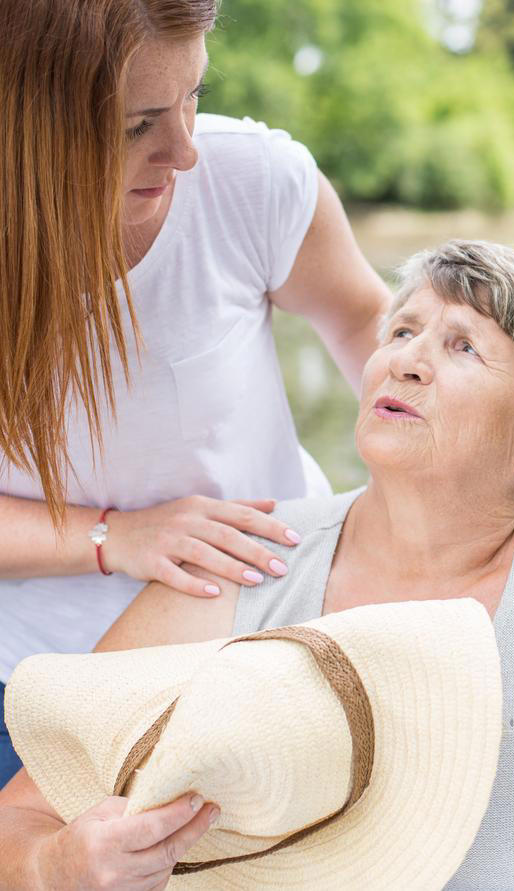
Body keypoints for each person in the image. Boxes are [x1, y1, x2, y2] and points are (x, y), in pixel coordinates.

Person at [1, 239, 514, 889]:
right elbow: (23, 814)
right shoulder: (246, 558)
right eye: (402, 329)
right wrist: (57, 866)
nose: (403, 361)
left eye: (463, 346)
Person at [0, 1, 391, 784]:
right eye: (136, 125)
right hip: (39, 691)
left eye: (194, 98)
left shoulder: (255, 181)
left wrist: (424, 500)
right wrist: (116, 537)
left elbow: (368, 325)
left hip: (271, 662)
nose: (184, 152)